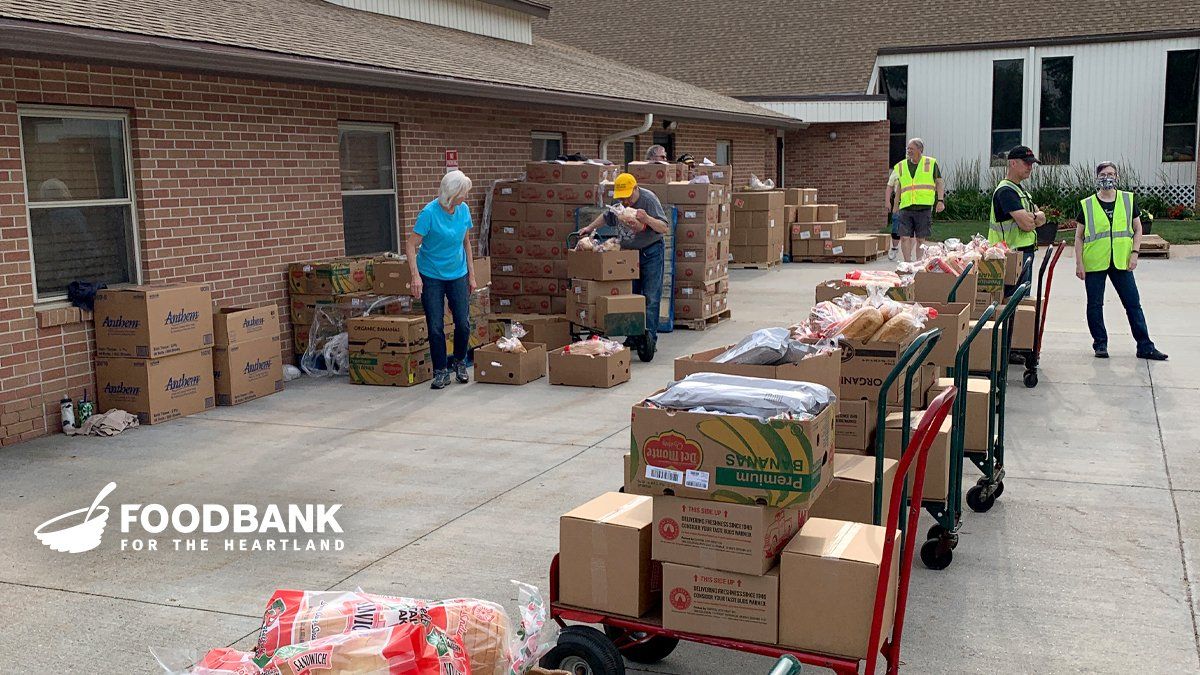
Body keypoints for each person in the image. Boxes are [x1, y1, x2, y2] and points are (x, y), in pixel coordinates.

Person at [1072, 162, 1167, 361]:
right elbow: (1079, 236)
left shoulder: (1128, 200)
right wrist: (1079, 263)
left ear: (1117, 177)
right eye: (1104, 174)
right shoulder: (1087, 204)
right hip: (1095, 262)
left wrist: (1134, 253)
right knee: (1095, 305)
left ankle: (1145, 346)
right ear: (1097, 178)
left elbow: (1138, 229)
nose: (1108, 177)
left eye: (1112, 174)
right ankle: (1100, 344)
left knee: (1133, 304)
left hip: (1122, 261)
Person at [406, 170, 479, 389]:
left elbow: (466, 244)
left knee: (463, 323)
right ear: (452, 193)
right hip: (432, 274)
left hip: (457, 272)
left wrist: (472, 276)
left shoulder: (463, 210)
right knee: (436, 325)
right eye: (463, 193)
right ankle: (440, 371)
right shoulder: (429, 213)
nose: (465, 197)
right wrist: (415, 277)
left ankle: (459, 363)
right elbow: (411, 246)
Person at [579, 172, 669, 349]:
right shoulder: (619, 202)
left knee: (650, 297)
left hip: (651, 251)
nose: (625, 201)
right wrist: (589, 228)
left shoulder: (649, 199)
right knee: (630, 296)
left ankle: (648, 339)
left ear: (636, 189)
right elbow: (607, 217)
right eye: (622, 198)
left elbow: (663, 227)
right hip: (628, 255)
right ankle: (633, 336)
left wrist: (646, 219)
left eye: (628, 196)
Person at [988, 146, 1044, 294]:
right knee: (1016, 302)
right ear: (1013, 163)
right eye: (1026, 163)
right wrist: (1035, 216)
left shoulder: (1019, 190)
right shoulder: (1006, 191)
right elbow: (1027, 224)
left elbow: (1042, 219)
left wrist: (1034, 216)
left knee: (1022, 300)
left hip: (1022, 254)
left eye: (1032, 164)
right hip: (1011, 254)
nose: (1030, 167)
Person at [883, 138, 944, 262]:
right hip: (906, 207)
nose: (909, 151)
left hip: (924, 207)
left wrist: (940, 200)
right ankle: (907, 262)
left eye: (911, 148)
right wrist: (895, 204)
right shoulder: (902, 166)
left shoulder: (930, 163)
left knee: (921, 239)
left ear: (920, 150)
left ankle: (918, 262)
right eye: (908, 149)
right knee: (904, 237)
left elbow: (939, 182)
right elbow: (900, 186)